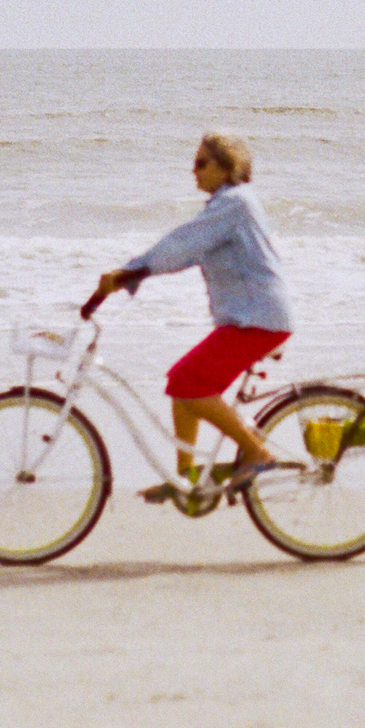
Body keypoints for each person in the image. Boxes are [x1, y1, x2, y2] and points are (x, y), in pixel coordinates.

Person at [92, 132, 290, 494]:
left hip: (259, 319)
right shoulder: (225, 206)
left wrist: (128, 273)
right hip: (251, 318)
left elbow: (181, 244)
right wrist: (134, 272)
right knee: (180, 383)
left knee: (188, 382)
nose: (193, 170)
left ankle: (256, 451)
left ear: (227, 167)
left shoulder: (235, 204)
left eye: (201, 163)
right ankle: (186, 480)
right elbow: (185, 251)